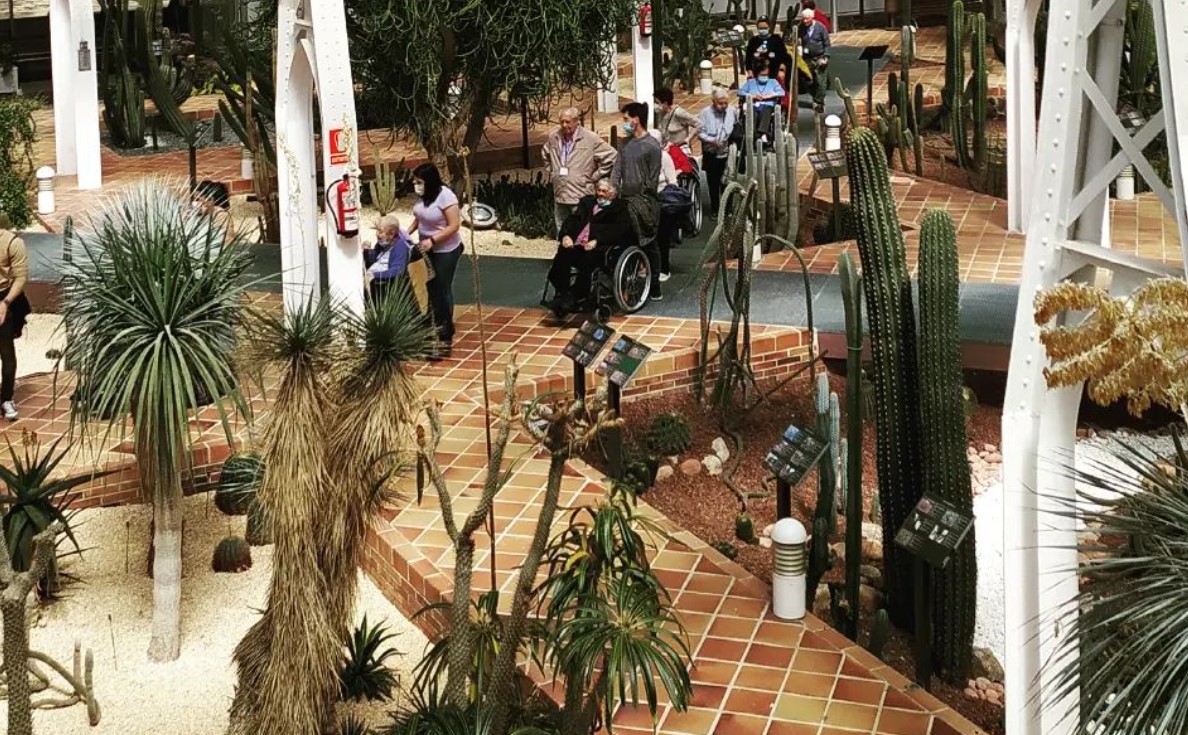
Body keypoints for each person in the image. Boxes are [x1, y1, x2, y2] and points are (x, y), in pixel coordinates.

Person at [546, 179, 634, 317]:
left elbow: (620, 230)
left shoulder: (619, 208)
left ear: (612, 194)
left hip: (599, 248)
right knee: (563, 254)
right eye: (598, 190)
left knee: (588, 260)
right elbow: (572, 220)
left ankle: (576, 295)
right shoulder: (587, 203)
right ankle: (564, 293)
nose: (600, 194)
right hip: (577, 244)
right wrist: (566, 235)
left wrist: (597, 240)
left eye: (604, 191)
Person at [407, 162, 462, 360]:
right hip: (426, 249)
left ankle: (445, 334)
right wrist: (407, 233)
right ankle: (431, 327)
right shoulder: (424, 196)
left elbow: (454, 225)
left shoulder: (446, 196)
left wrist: (433, 240)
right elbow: (420, 217)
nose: (416, 184)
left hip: (446, 249)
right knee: (427, 288)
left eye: (419, 181)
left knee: (441, 288)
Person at [612, 102, 664, 301]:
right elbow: (617, 171)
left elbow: (652, 178)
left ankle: (655, 284)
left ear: (636, 119)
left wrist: (641, 196)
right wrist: (611, 189)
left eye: (626, 119)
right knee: (626, 241)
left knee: (649, 243)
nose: (624, 123)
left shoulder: (651, 146)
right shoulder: (624, 144)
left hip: (645, 202)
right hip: (626, 201)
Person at [542, 107, 617, 236]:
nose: (564, 125)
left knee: (581, 233)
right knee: (562, 232)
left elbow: (612, 156)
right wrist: (554, 173)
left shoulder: (590, 138)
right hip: (560, 194)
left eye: (568, 122)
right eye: (562, 122)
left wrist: (595, 176)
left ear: (577, 121)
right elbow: (545, 154)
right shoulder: (554, 137)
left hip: (580, 195)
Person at [0, 219, 30, 421]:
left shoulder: (13, 243)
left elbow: (20, 277)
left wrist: (6, 302)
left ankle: (7, 397)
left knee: (5, 351)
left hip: (4, 298)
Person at [697, 88, 738, 218]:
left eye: (725, 103)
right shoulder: (704, 113)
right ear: (713, 101)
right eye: (720, 103)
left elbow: (736, 127)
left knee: (728, 181)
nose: (723, 106)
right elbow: (699, 132)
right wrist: (711, 140)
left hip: (727, 152)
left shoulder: (732, 112)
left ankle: (728, 209)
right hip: (711, 152)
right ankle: (715, 209)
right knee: (713, 183)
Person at [650, 130, 684, 284]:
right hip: (645, 201)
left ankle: (664, 268)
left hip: (662, 202)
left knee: (662, 237)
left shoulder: (664, 158)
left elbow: (672, 181)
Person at [362, 214, 415, 304]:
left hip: (388, 290)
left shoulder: (400, 246)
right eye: (377, 231)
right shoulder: (383, 243)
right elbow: (377, 258)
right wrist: (367, 251)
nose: (377, 234)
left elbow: (398, 270)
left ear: (391, 233)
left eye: (380, 231)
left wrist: (374, 275)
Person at [798, 7, 831, 112]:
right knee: (807, 80)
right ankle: (815, 96)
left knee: (821, 81)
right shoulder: (801, 28)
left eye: (807, 19)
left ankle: (819, 102)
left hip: (819, 57)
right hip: (807, 58)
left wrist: (825, 57)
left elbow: (827, 44)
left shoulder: (821, 28)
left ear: (812, 18)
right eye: (803, 19)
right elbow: (798, 40)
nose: (805, 21)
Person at [744, 15, 792, 80]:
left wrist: (781, 70)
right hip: (758, 73)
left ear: (769, 27)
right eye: (760, 28)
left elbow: (783, 56)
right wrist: (749, 71)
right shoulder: (753, 40)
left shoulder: (776, 39)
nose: (762, 30)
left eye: (764, 28)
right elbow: (748, 57)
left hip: (774, 72)